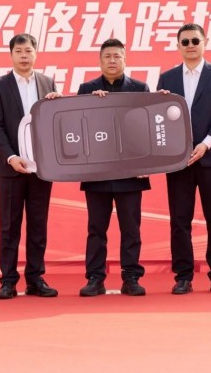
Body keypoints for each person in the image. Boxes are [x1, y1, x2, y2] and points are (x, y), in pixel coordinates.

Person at [157, 23, 211, 295]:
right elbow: (159, 118)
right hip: (178, 160)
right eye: (185, 42)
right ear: (178, 46)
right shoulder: (167, 79)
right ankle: (183, 276)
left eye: (195, 41)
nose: (190, 46)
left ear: (205, 43)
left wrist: (206, 143)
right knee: (180, 220)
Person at [0, 33, 61, 300]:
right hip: (11, 168)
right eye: (19, 51)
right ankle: (8, 281)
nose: (24, 56)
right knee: (9, 226)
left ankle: (35, 279)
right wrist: (11, 156)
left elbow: (55, 123)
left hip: (41, 168)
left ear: (36, 53)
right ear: (11, 55)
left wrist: (58, 105)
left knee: (38, 225)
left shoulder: (47, 83)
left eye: (28, 51)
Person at [76, 38, 150, 297]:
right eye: (107, 56)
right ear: (99, 61)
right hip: (97, 172)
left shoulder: (140, 89)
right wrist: (92, 106)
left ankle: (131, 277)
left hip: (131, 172)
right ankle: (95, 278)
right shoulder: (87, 89)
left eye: (117, 56)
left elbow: (147, 129)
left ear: (125, 60)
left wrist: (146, 163)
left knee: (131, 228)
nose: (112, 60)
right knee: (96, 228)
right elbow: (78, 129)